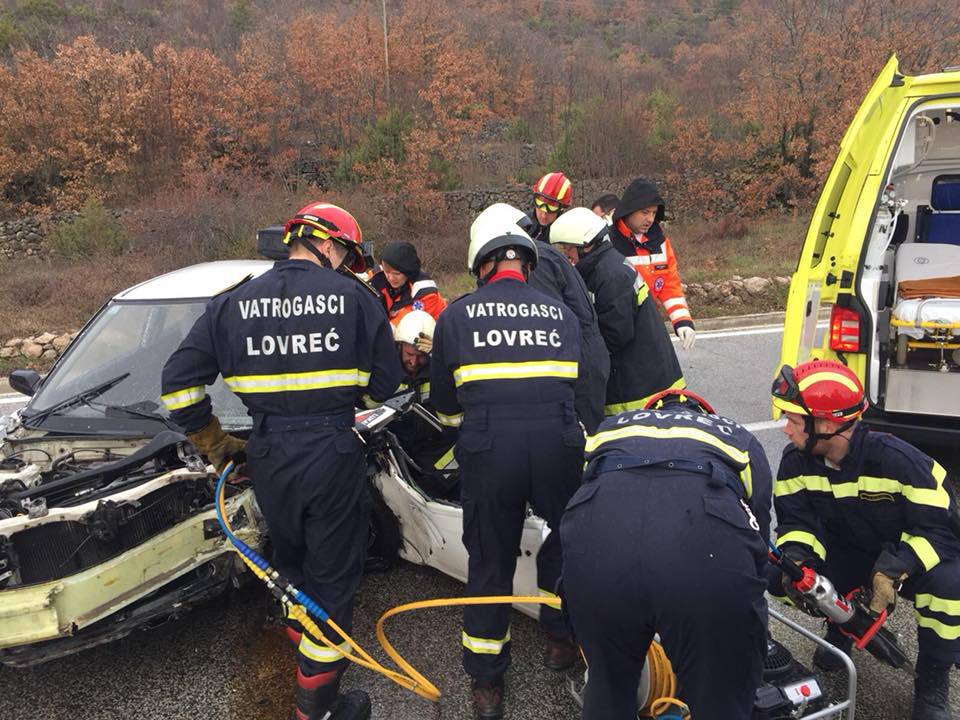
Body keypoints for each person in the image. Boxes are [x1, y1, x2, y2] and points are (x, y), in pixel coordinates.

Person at [161, 202, 402, 720]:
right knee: (334, 579)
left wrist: (215, 441)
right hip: (331, 453)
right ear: (331, 245)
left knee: (291, 563)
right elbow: (386, 385)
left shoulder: (232, 303)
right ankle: (318, 707)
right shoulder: (355, 300)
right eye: (347, 257)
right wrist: (339, 400)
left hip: (269, 456)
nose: (346, 267)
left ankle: (301, 635)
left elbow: (177, 383)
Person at [430, 211, 585, 718]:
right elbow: (573, 387)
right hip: (557, 446)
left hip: (489, 449)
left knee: (491, 560)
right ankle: (564, 640)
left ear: (483, 265)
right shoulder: (560, 313)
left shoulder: (455, 316)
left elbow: (445, 405)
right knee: (567, 541)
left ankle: (488, 683)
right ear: (527, 264)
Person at [560, 389, 772, 720]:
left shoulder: (611, 428)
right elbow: (757, 532)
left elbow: (584, 493)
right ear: (706, 415)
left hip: (599, 550)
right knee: (721, 695)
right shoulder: (736, 436)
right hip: (705, 556)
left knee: (608, 684)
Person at [770, 359, 960, 720]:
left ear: (826, 425)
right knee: (778, 577)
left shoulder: (903, 463)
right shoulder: (795, 462)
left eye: (794, 420)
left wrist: (894, 570)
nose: (786, 429)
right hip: (850, 554)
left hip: (904, 560)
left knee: (949, 586)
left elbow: (942, 532)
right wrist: (801, 562)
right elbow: (797, 524)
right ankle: (844, 625)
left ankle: (933, 681)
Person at [478, 202, 609, 433]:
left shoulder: (533, 264)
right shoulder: (540, 255)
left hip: (575, 370)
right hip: (581, 360)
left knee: (578, 450)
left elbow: (545, 323)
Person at [550, 207, 685, 415]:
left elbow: (615, 335)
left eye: (569, 247)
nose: (566, 253)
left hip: (642, 391)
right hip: (644, 379)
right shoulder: (605, 265)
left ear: (586, 246)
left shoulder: (611, 275)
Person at [609, 177, 696, 351]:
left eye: (654, 213)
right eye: (645, 212)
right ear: (629, 210)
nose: (650, 219)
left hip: (649, 326)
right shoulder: (608, 241)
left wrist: (682, 321)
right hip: (614, 331)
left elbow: (669, 286)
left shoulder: (660, 243)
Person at [387, 310, 458, 498]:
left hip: (438, 449)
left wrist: (439, 359)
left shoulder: (441, 373)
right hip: (397, 449)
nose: (414, 361)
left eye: (421, 356)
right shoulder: (387, 372)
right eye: (409, 354)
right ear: (399, 346)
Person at [369, 240, 447, 325]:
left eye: (396, 273)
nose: (391, 278)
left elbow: (401, 326)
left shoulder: (425, 294)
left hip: (430, 332)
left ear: (408, 271)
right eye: (386, 272)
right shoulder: (377, 278)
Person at [526, 171, 573, 242]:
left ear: (562, 209)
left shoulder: (566, 237)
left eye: (552, 208)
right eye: (540, 204)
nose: (543, 216)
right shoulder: (522, 224)